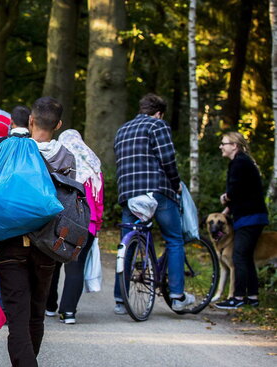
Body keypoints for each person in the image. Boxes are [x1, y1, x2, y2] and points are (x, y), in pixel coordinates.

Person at [0, 97, 73, 367]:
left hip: (12, 242)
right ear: (58, 125)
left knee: (17, 316)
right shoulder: (66, 156)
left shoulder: (13, 149)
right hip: (48, 245)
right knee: (36, 314)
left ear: (29, 122)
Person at [114, 94, 194, 313]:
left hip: (129, 195)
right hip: (156, 191)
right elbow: (168, 158)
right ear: (159, 113)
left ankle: (120, 300)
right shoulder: (158, 125)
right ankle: (177, 296)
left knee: (127, 243)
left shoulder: (122, 130)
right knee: (174, 240)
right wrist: (176, 184)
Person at [45, 129, 104, 324]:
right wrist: (97, 225)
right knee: (75, 267)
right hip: (88, 225)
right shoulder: (94, 166)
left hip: (62, 222)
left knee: (53, 262)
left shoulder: (61, 162)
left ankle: (49, 306)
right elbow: (99, 201)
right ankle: (68, 312)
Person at [215, 132, 268, 309]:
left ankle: (237, 298)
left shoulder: (239, 163)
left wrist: (226, 197)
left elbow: (236, 190)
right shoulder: (243, 161)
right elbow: (245, 191)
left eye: (224, 143)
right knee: (246, 257)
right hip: (252, 216)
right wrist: (226, 211)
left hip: (250, 218)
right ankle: (252, 297)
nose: (221, 146)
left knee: (239, 256)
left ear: (234, 146)